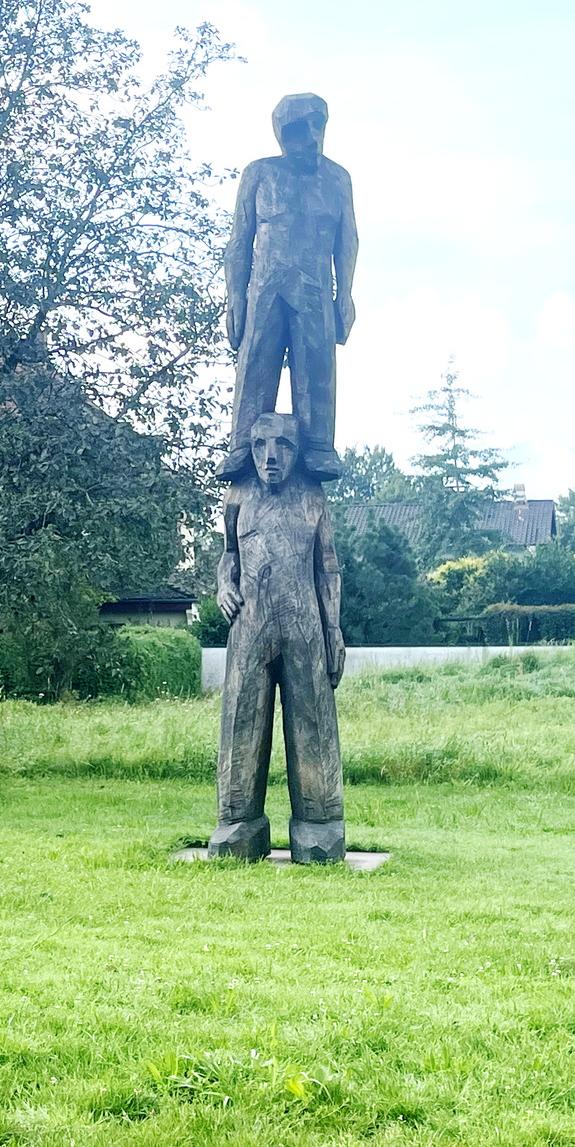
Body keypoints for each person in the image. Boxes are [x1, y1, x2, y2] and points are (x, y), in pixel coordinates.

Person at [210, 411, 347, 864]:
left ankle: (318, 823)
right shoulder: (238, 495)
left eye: (283, 446)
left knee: (313, 722)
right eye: (260, 445)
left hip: (305, 626)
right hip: (249, 624)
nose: (270, 457)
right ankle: (238, 820)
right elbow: (229, 553)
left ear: (298, 450)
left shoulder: (312, 498)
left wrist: (333, 630)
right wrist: (224, 586)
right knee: (240, 720)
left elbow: (328, 568)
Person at [221, 93, 357, 483]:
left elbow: (347, 239)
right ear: (280, 134)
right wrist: (235, 296)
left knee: (317, 366)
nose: (310, 138)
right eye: (298, 130)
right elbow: (239, 241)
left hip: (315, 289)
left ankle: (318, 446)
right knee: (255, 360)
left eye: (317, 126)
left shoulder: (337, 179)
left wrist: (345, 294)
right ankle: (241, 445)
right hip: (266, 287)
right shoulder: (259, 174)